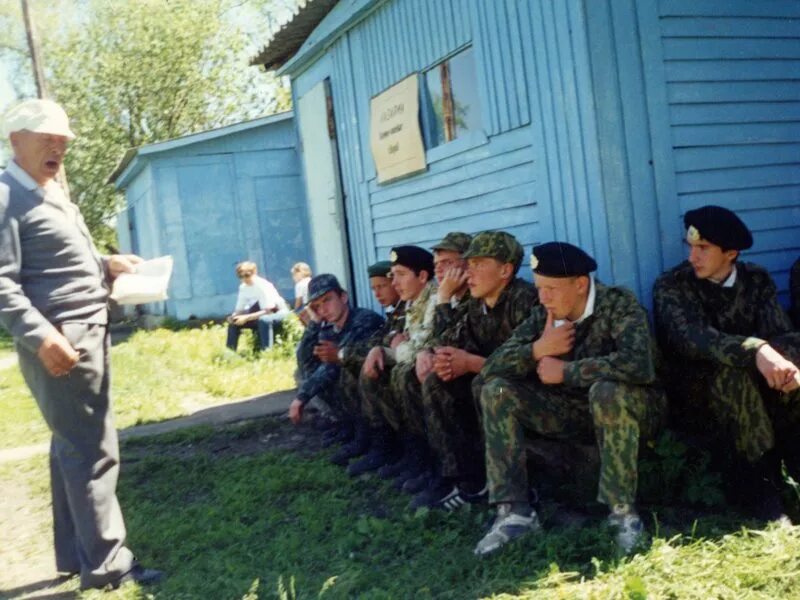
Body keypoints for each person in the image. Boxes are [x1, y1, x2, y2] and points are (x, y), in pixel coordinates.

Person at [0, 99, 161, 589]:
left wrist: (106, 265)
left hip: (84, 330)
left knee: (71, 444)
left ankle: (78, 554)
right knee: (92, 449)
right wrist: (40, 335)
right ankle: (110, 565)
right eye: (47, 137)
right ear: (15, 140)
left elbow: (58, 260)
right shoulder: (6, 196)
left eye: (63, 139)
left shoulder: (46, 191)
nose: (59, 146)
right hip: (62, 340)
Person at [475, 242, 666, 556]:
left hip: (635, 409)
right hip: (574, 412)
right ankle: (515, 513)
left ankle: (622, 515)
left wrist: (568, 371)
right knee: (496, 390)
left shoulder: (618, 305)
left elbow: (639, 364)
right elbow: (490, 368)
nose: (543, 297)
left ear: (580, 284)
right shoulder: (545, 316)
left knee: (606, 390)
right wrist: (537, 349)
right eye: (539, 288)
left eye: (551, 288)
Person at [653, 205, 800, 519]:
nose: (693, 256)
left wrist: (786, 366)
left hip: (756, 385)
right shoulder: (673, 286)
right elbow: (692, 339)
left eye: (703, 249)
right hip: (698, 395)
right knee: (734, 378)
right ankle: (763, 496)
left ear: (731, 253)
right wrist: (756, 350)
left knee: (792, 367)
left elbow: (782, 334)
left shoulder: (756, 280)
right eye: (690, 246)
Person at [412, 231, 538, 510]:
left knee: (484, 383)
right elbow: (446, 343)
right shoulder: (477, 305)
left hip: (527, 391)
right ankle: (462, 479)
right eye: (468, 265)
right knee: (436, 380)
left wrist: (470, 363)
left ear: (505, 270)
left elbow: (529, 364)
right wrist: (448, 360)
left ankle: (501, 484)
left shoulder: (524, 300)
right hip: (491, 386)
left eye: (478, 264)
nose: (469, 273)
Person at [348, 246, 438, 477]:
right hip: (420, 364)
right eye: (393, 276)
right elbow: (404, 344)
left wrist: (394, 348)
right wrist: (380, 349)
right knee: (371, 370)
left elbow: (418, 348)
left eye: (400, 274)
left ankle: (428, 462)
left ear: (423, 276)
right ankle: (396, 449)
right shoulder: (412, 302)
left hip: (443, 371)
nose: (395, 283)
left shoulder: (435, 299)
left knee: (402, 375)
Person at [330, 260, 406, 465]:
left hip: (404, 373)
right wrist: (344, 355)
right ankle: (365, 438)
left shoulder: (407, 311)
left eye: (382, 286)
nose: (377, 294)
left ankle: (388, 448)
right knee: (351, 367)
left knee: (366, 370)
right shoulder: (395, 313)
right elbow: (375, 342)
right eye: (373, 288)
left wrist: (342, 353)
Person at [288, 274, 384, 427]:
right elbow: (304, 359)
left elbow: (332, 364)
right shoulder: (329, 327)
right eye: (317, 306)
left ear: (343, 297)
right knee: (306, 371)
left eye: (327, 300)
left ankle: (366, 432)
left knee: (340, 372)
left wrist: (301, 398)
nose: (323, 309)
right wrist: (314, 322)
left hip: (378, 388)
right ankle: (344, 423)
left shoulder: (363, 319)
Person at [226, 261, 291, 351]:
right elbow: (239, 309)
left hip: (279, 312)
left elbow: (268, 311)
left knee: (264, 320)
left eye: (247, 275)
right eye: (240, 276)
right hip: (258, 313)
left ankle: (267, 352)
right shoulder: (243, 288)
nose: (244, 279)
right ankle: (230, 352)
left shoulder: (262, 285)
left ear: (254, 273)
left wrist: (246, 318)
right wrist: (233, 317)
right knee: (234, 323)